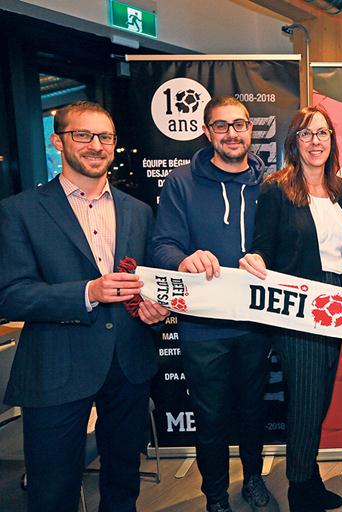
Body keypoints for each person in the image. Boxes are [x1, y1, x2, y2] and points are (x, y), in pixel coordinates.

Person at [0, 100, 168, 512]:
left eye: (105, 137)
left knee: (123, 481)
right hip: (57, 365)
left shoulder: (140, 211)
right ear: (58, 141)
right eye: (83, 135)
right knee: (52, 488)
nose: (96, 145)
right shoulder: (19, 211)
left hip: (128, 362)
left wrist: (155, 308)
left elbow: (147, 282)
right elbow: (11, 293)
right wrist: (87, 292)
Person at [149, 96, 272, 512]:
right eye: (221, 126)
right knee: (211, 418)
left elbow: (284, 245)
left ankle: (254, 479)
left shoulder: (268, 185)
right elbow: (162, 244)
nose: (232, 134)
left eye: (239, 125)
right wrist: (183, 260)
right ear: (207, 132)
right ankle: (216, 497)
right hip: (202, 327)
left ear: (250, 129)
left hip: (256, 321)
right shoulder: (181, 182)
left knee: (254, 410)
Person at [239, 106, 342, 512]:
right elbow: (263, 246)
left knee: (319, 397)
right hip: (299, 302)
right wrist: (253, 259)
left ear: (332, 139)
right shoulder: (276, 188)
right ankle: (301, 488)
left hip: (339, 299)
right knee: (304, 397)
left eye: (323, 133)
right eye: (306, 134)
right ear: (294, 142)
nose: (316, 141)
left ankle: (309, 474)